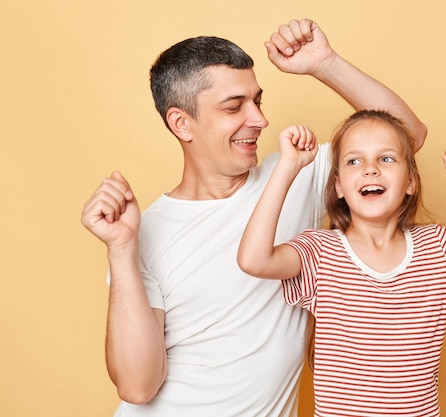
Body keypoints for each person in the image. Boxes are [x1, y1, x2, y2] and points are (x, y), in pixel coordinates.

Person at [80, 19, 427, 417]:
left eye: (257, 101)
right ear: (181, 123)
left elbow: (406, 137)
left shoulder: (296, 175)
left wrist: (325, 63)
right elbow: (138, 386)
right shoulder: (144, 232)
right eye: (234, 107)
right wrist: (122, 249)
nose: (259, 119)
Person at [237, 110, 446, 417]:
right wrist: (288, 167)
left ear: (410, 183)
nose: (370, 169)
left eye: (386, 159)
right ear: (338, 186)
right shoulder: (320, 252)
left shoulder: (441, 248)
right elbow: (253, 260)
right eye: (354, 161)